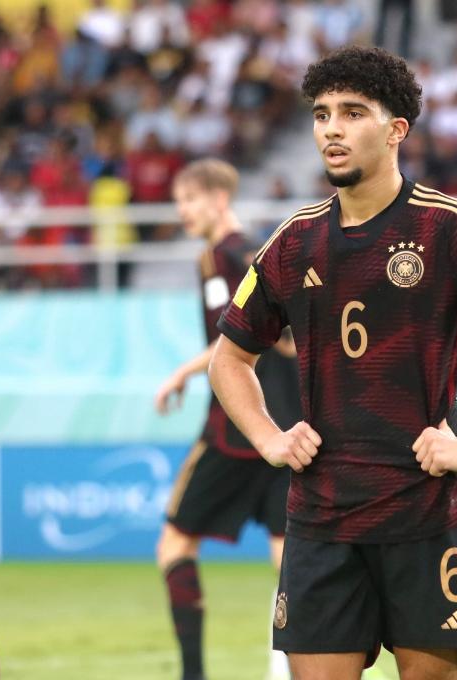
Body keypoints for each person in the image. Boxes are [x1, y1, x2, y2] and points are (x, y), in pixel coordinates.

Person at [210, 46, 457, 680]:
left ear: (396, 129)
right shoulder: (292, 242)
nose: (332, 130)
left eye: (352, 113)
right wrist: (268, 437)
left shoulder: (453, 228)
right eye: (321, 115)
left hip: (426, 509)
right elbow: (229, 359)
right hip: (321, 512)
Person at [154, 158, 301, 680]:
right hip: (289, 430)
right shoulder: (257, 254)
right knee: (290, 562)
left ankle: (193, 675)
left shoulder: (225, 257)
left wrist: (182, 372)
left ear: (219, 199)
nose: (183, 211)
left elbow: (237, 337)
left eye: (189, 201)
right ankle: (290, 672)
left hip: (237, 426)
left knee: (174, 546)